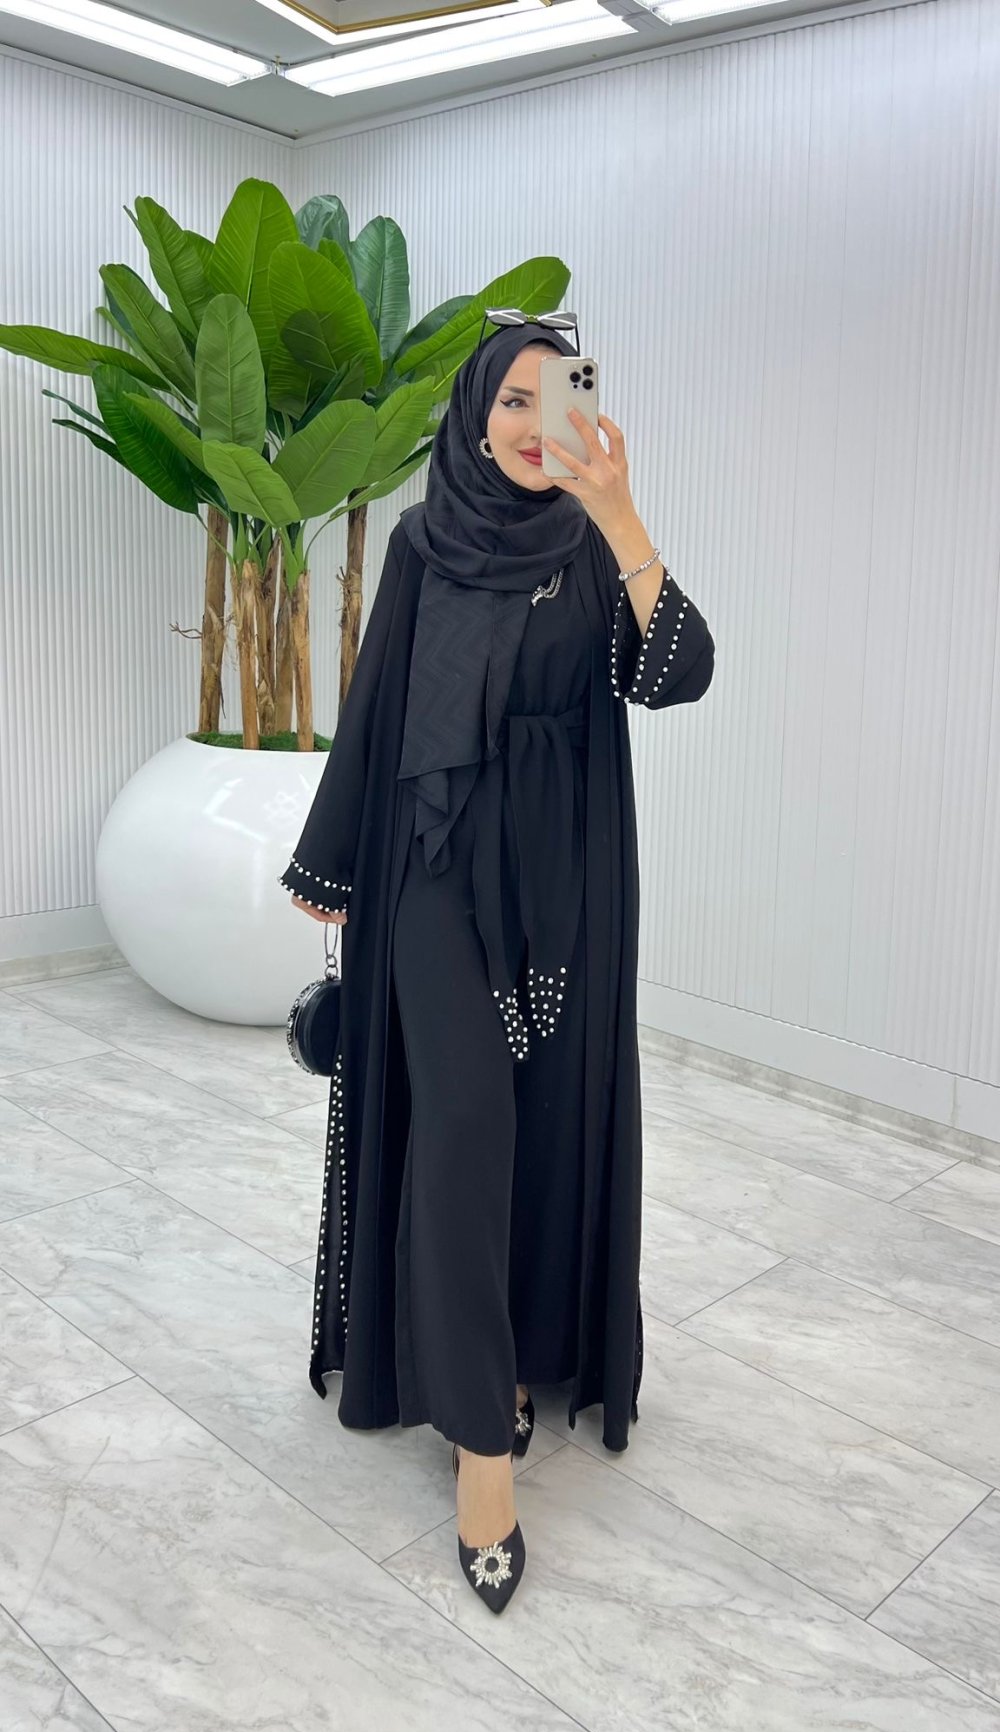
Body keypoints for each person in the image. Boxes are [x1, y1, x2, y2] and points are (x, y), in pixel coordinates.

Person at [280, 316, 716, 1612]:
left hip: (559, 889)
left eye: (555, 397)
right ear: (475, 416)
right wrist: (330, 868)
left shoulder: (588, 546)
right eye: (511, 399)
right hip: (431, 872)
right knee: (465, 1121)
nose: (532, 423)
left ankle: (519, 1353)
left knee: (536, 1126)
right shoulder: (424, 542)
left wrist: (622, 517)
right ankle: (482, 1447)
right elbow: (376, 705)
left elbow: (679, 674)